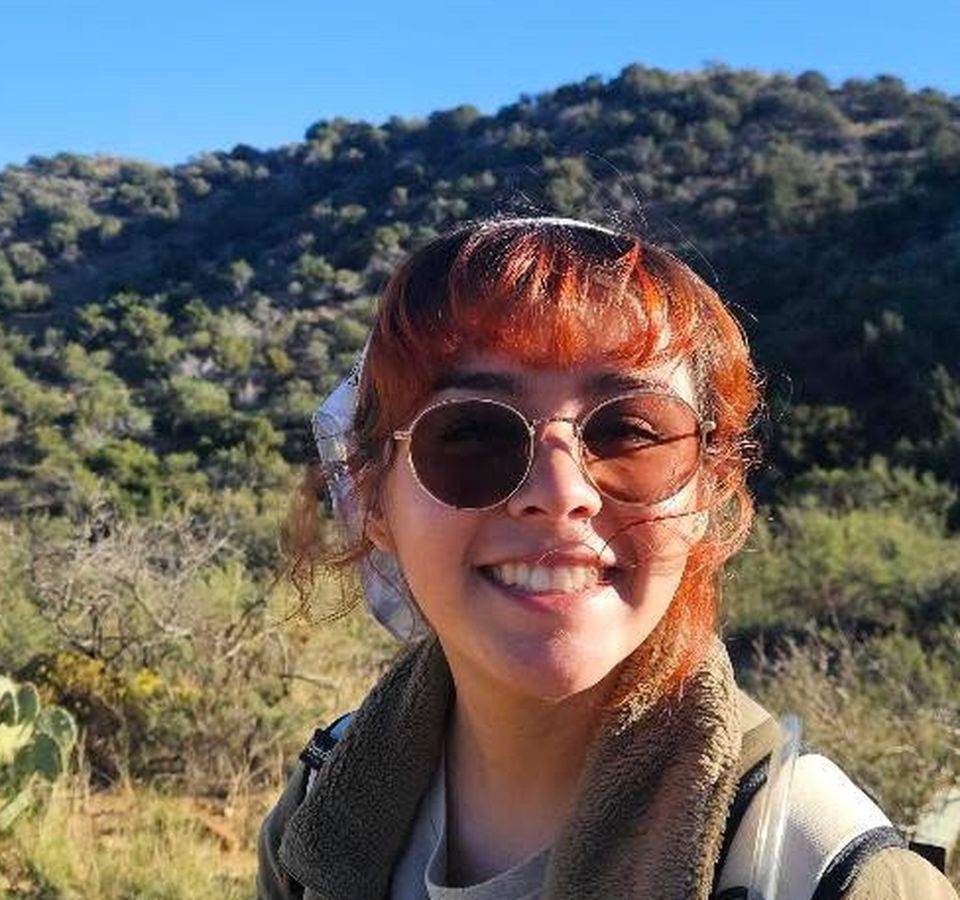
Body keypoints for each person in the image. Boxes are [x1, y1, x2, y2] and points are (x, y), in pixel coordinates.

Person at [257, 217, 957, 899]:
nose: (561, 494)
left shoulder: (834, 879)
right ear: (371, 497)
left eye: (630, 433)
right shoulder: (317, 819)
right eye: (472, 435)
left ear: (709, 488)